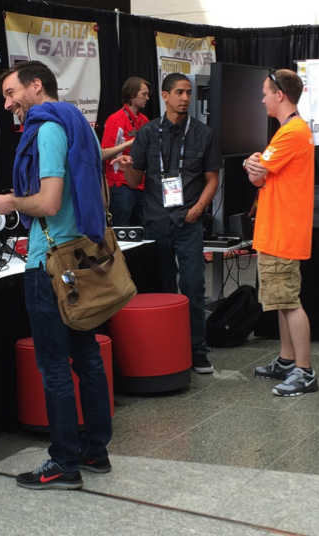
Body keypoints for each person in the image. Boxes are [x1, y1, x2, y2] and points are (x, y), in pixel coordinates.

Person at [0, 61, 112, 490]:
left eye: (11, 93)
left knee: (55, 365)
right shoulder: (79, 122)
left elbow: (47, 201)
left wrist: (11, 201)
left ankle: (63, 462)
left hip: (49, 263)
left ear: (36, 85)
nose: (8, 104)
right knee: (88, 357)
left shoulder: (46, 129)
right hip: (80, 255)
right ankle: (95, 450)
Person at [122, 73, 221, 374]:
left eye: (189, 93)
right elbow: (134, 180)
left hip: (188, 222)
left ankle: (197, 349)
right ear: (165, 96)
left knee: (192, 284)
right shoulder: (148, 133)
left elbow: (212, 180)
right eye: (179, 92)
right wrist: (127, 168)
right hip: (156, 221)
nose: (185, 99)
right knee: (164, 287)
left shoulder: (204, 134)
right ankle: (170, 347)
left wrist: (198, 210)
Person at [244, 69, 317, 396]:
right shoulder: (289, 130)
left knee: (289, 302)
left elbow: (257, 171)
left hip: (283, 232)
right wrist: (254, 168)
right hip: (276, 230)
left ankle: (305, 372)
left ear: (280, 95)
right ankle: (288, 361)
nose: (262, 99)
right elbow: (260, 177)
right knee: (280, 300)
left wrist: (252, 166)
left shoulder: (293, 133)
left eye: (265, 93)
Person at [101, 77, 151, 226]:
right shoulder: (115, 120)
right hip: (121, 185)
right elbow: (103, 154)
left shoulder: (144, 120)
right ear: (132, 94)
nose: (147, 98)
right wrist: (129, 143)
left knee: (143, 231)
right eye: (144, 94)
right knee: (121, 232)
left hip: (141, 184)